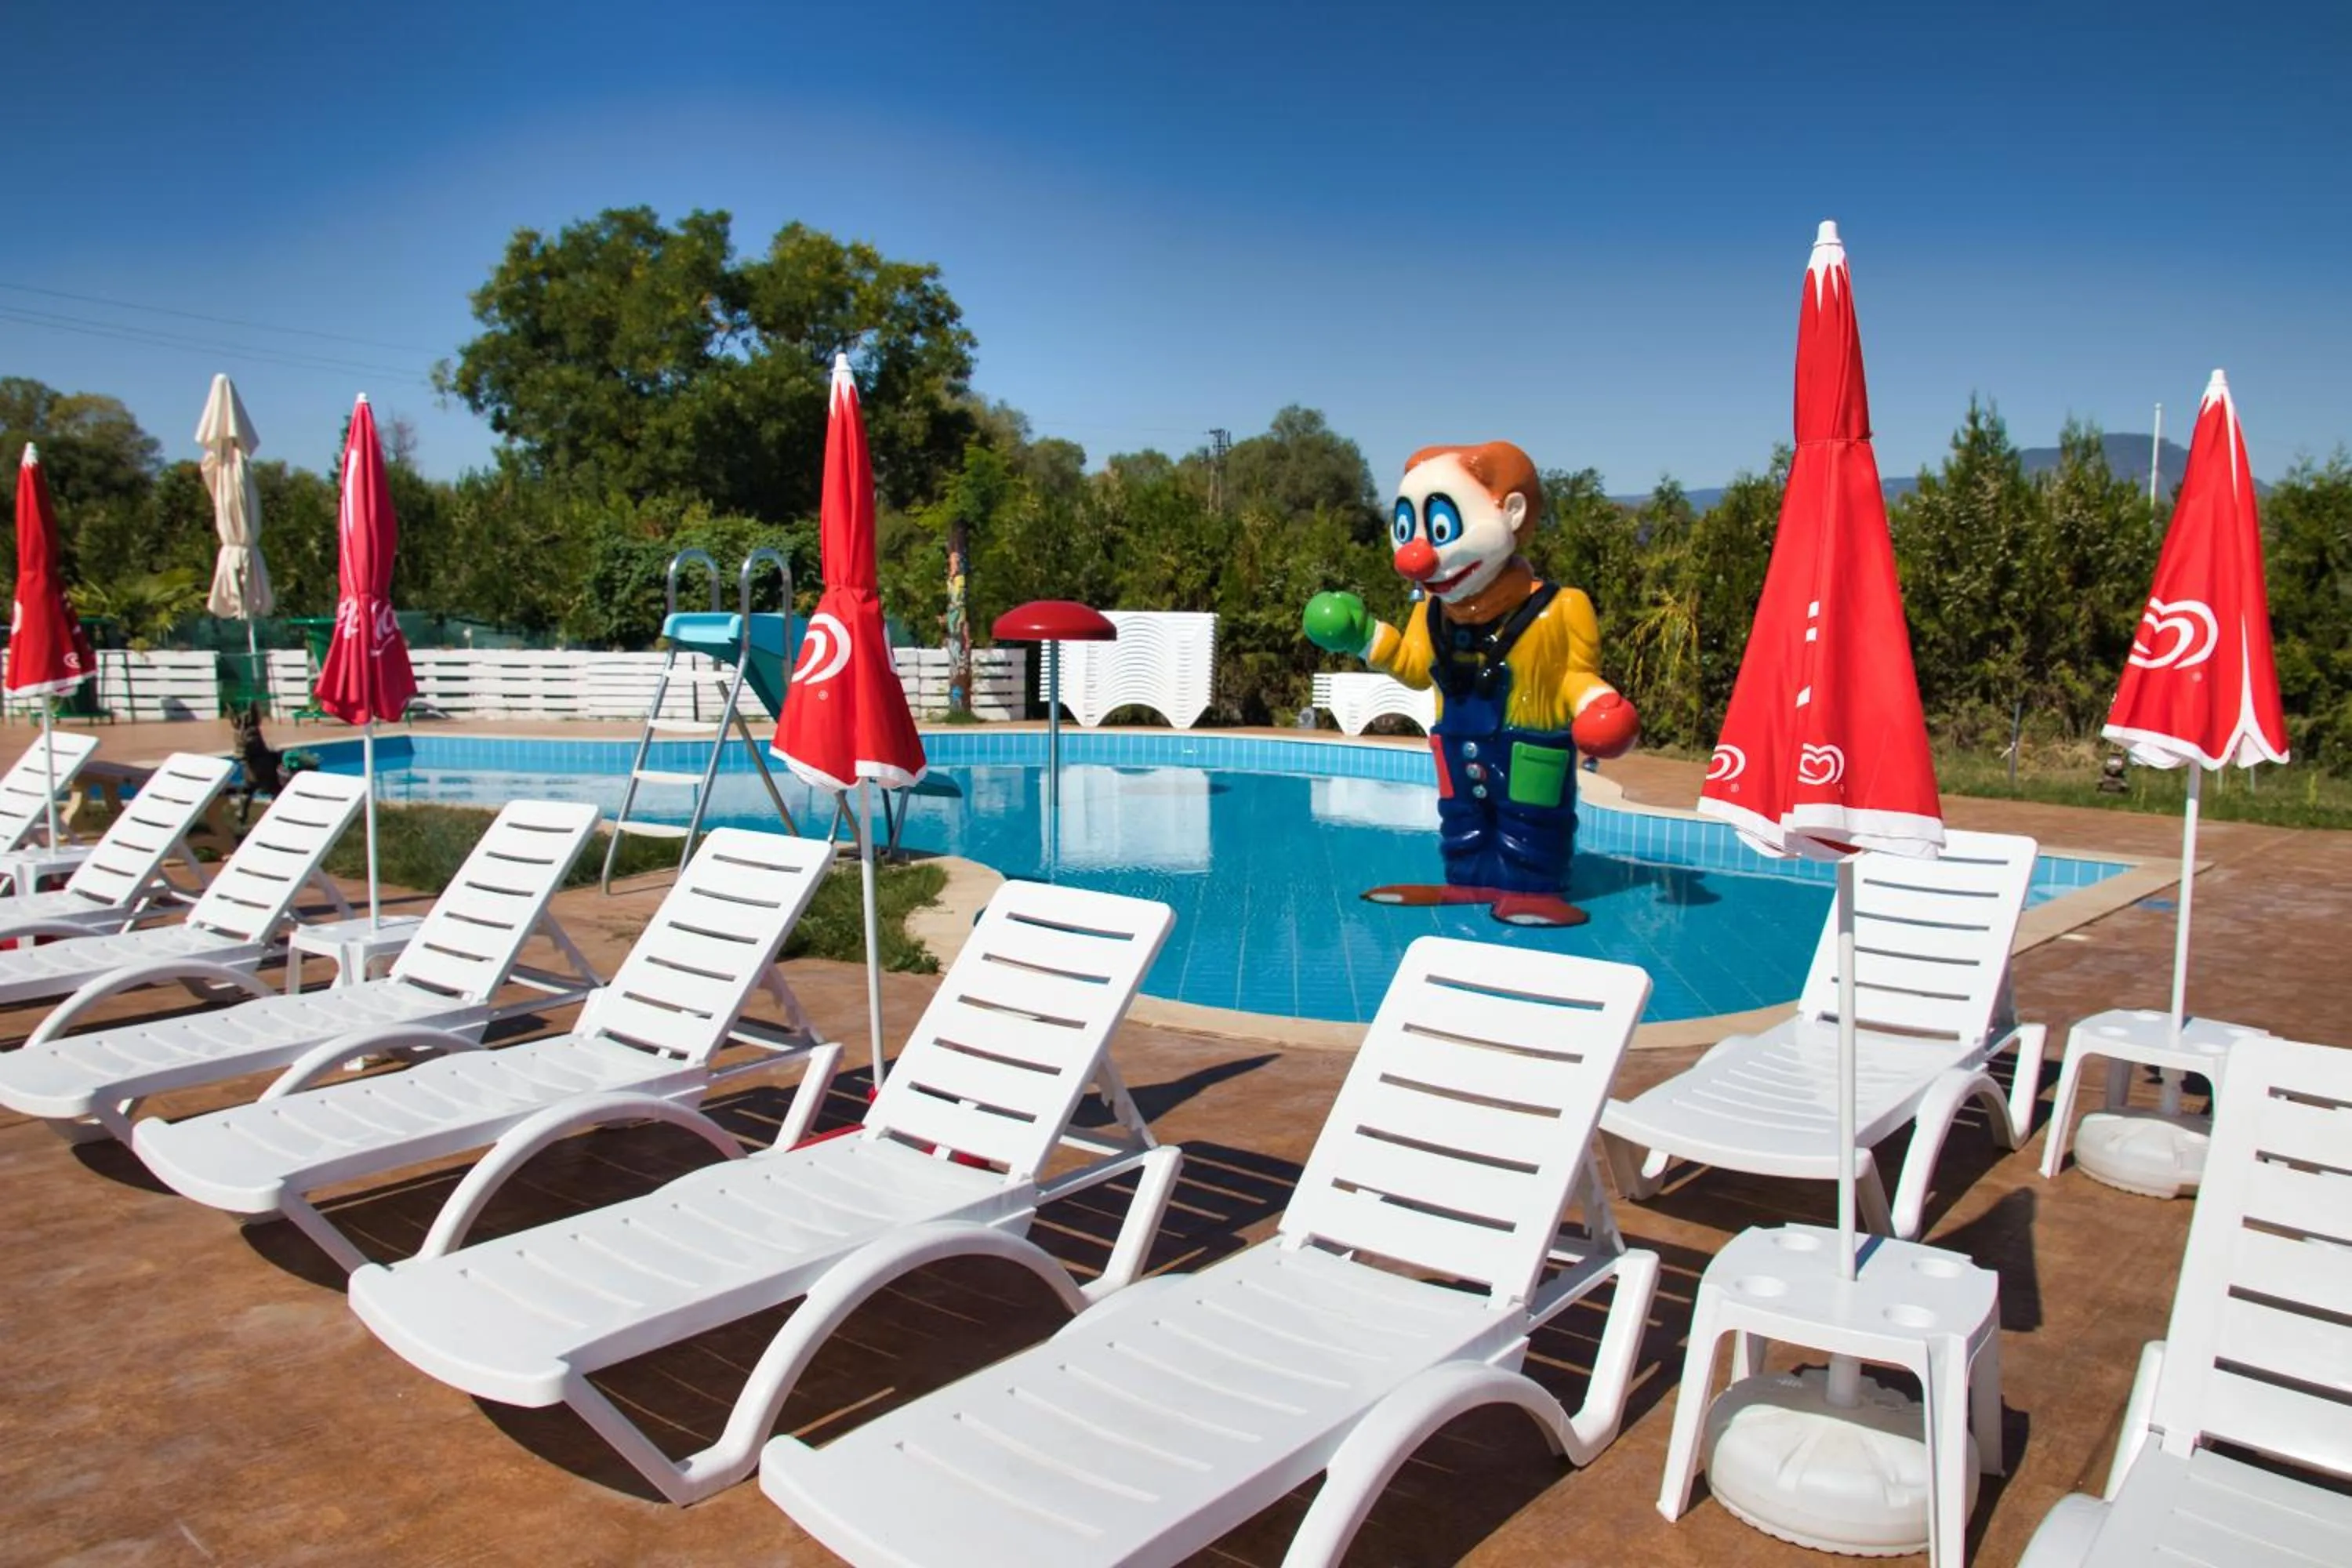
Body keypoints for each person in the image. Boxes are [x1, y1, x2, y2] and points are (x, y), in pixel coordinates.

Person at [1304, 441, 1638, 927]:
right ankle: (1469, 880)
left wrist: (1599, 705)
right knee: (1462, 818)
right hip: (1459, 741)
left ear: (1513, 513)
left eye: (1441, 529)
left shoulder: (1561, 607)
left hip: (1531, 744)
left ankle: (1534, 890)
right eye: (1406, 530)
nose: (1415, 556)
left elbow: (1574, 677)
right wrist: (1364, 636)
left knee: (1532, 821)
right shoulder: (1431, 611)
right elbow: (1415, 666)